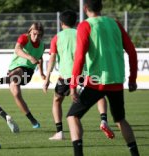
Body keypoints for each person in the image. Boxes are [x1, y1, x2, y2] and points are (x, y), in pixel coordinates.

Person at [67, 0, 140, 156]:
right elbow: (132, 51)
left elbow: (79, 57)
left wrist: (73, 85)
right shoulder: (115, 24)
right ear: (101, 8)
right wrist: (133, 78)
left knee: (72, 116)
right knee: (120, 119)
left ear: (85, 8)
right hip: (116, 80)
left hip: (96, 82)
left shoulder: (85, 25)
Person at [43, 10, 113, 140]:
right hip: (84, 73)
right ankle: (103, 120)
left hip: (66, 76)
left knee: (57, 101)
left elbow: (52, 59)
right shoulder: (82, 33)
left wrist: (47, 79)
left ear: (61, 23)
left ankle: (59, 132)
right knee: (99, 95)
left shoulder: (57, 37)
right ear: (76, 22)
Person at [0, 22, 45, 129]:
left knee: (18, 72)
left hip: (27, 71)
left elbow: (40, 59)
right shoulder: (24, 38)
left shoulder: (42, 45)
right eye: (34, 34)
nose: (36, 37)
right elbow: (17, 50)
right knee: (16, 94)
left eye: (39, 35)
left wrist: (41, 73)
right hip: (13, 68)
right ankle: (32, 120)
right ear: (30, 32)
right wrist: (30, 57)